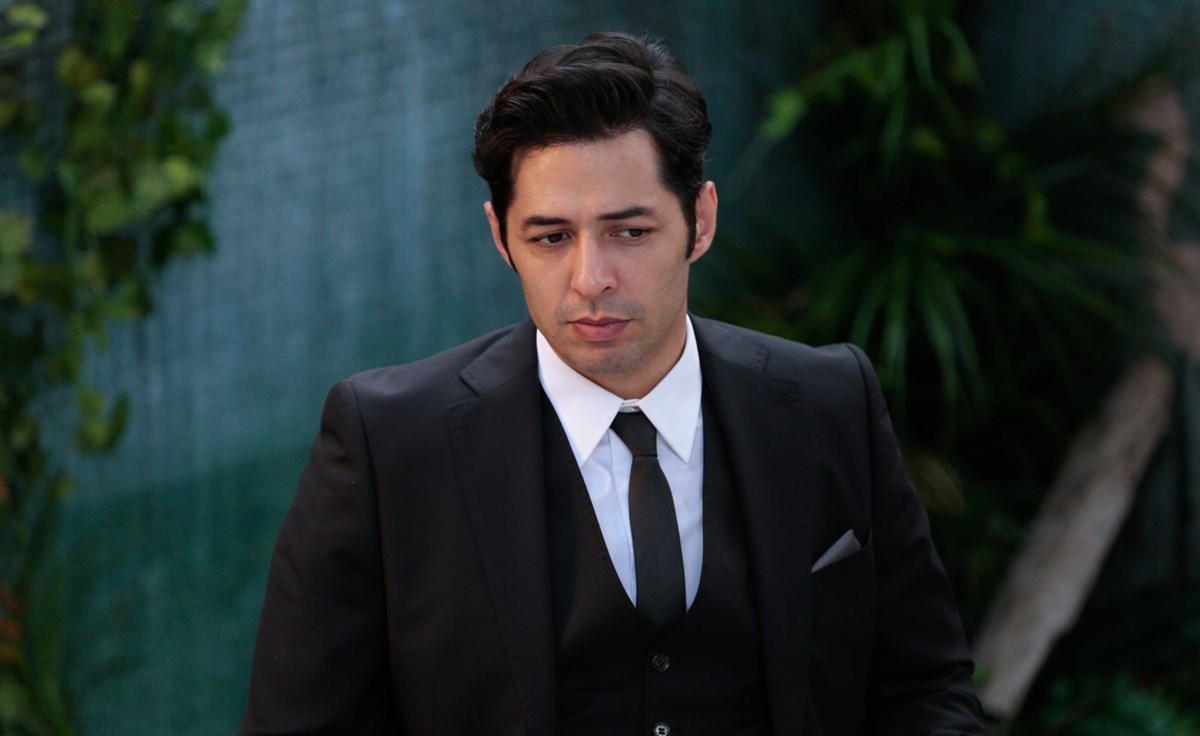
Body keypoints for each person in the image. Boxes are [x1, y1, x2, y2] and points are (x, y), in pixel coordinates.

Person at [240, 31, 986, 736]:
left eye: (630, 232)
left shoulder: (829, 402)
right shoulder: (388, 444)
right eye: (551, 237)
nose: (590, 278)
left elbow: (925, 687)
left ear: (700, 221)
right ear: (501, 237)